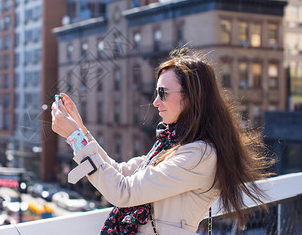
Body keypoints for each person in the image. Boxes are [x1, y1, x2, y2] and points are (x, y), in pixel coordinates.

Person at [51, 48, 273, 235]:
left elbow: (124, 191)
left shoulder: (199, 155)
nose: (155, 102)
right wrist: (81, 130)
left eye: (163, 93)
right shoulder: (170, 145)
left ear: (191, 96)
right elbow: (121, 172)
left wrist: (74, 138)